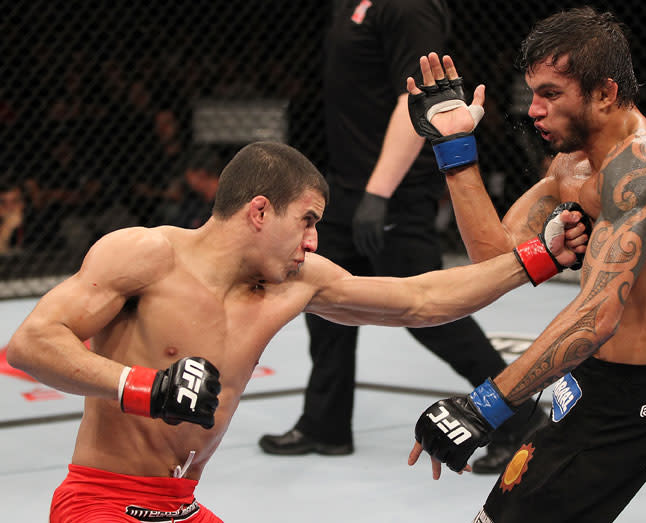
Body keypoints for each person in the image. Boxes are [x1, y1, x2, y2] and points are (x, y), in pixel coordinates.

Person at [6, 141, 588, 522]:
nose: (313, 241)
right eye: (306, 222)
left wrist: (540, 257)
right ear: (259, 212)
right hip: (101, 500)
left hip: (181, 506)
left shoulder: (297, 281)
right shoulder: (146, 254)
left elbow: (421, 300)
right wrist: (145, 388)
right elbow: (32, 344)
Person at [404, 7, 646, 523]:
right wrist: (455, 147)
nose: (533, 110)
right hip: (583, 386)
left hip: (628, 410)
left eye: (551, 94)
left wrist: (484, 406)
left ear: (605, 93)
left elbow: (597, 316)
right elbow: (494, 259)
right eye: (533, 94)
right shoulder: (571, 165)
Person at [257, 0, 546, 473]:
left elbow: (416, 98)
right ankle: (324, 424)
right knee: (322, 301)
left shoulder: (410, 8)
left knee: (436, 313)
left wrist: (379, 193)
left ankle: (520, 417)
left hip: (391, 187)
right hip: (348, 183)